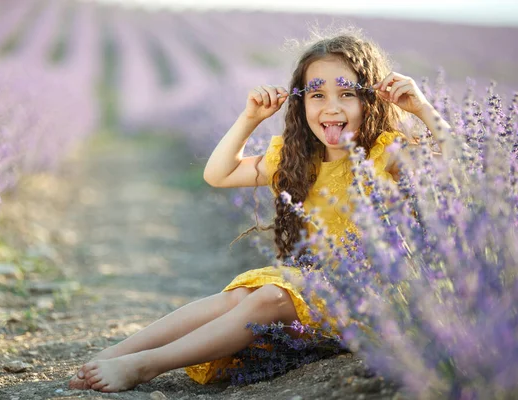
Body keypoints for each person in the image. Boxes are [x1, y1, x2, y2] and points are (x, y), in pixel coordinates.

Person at [68, 31, 450, 393]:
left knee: (270, 297)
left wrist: (421, 107)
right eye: (317, 95)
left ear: (373, 99)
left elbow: (457, 169)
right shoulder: (298, 159)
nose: (331, 107)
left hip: (372, 300)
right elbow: (219, 174)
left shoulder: (388, 154)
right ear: (301, 104)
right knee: (237, 297)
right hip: (312, 288)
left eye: (347, 93)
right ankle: (116, 355)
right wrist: (249, 118)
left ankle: (146, 365)